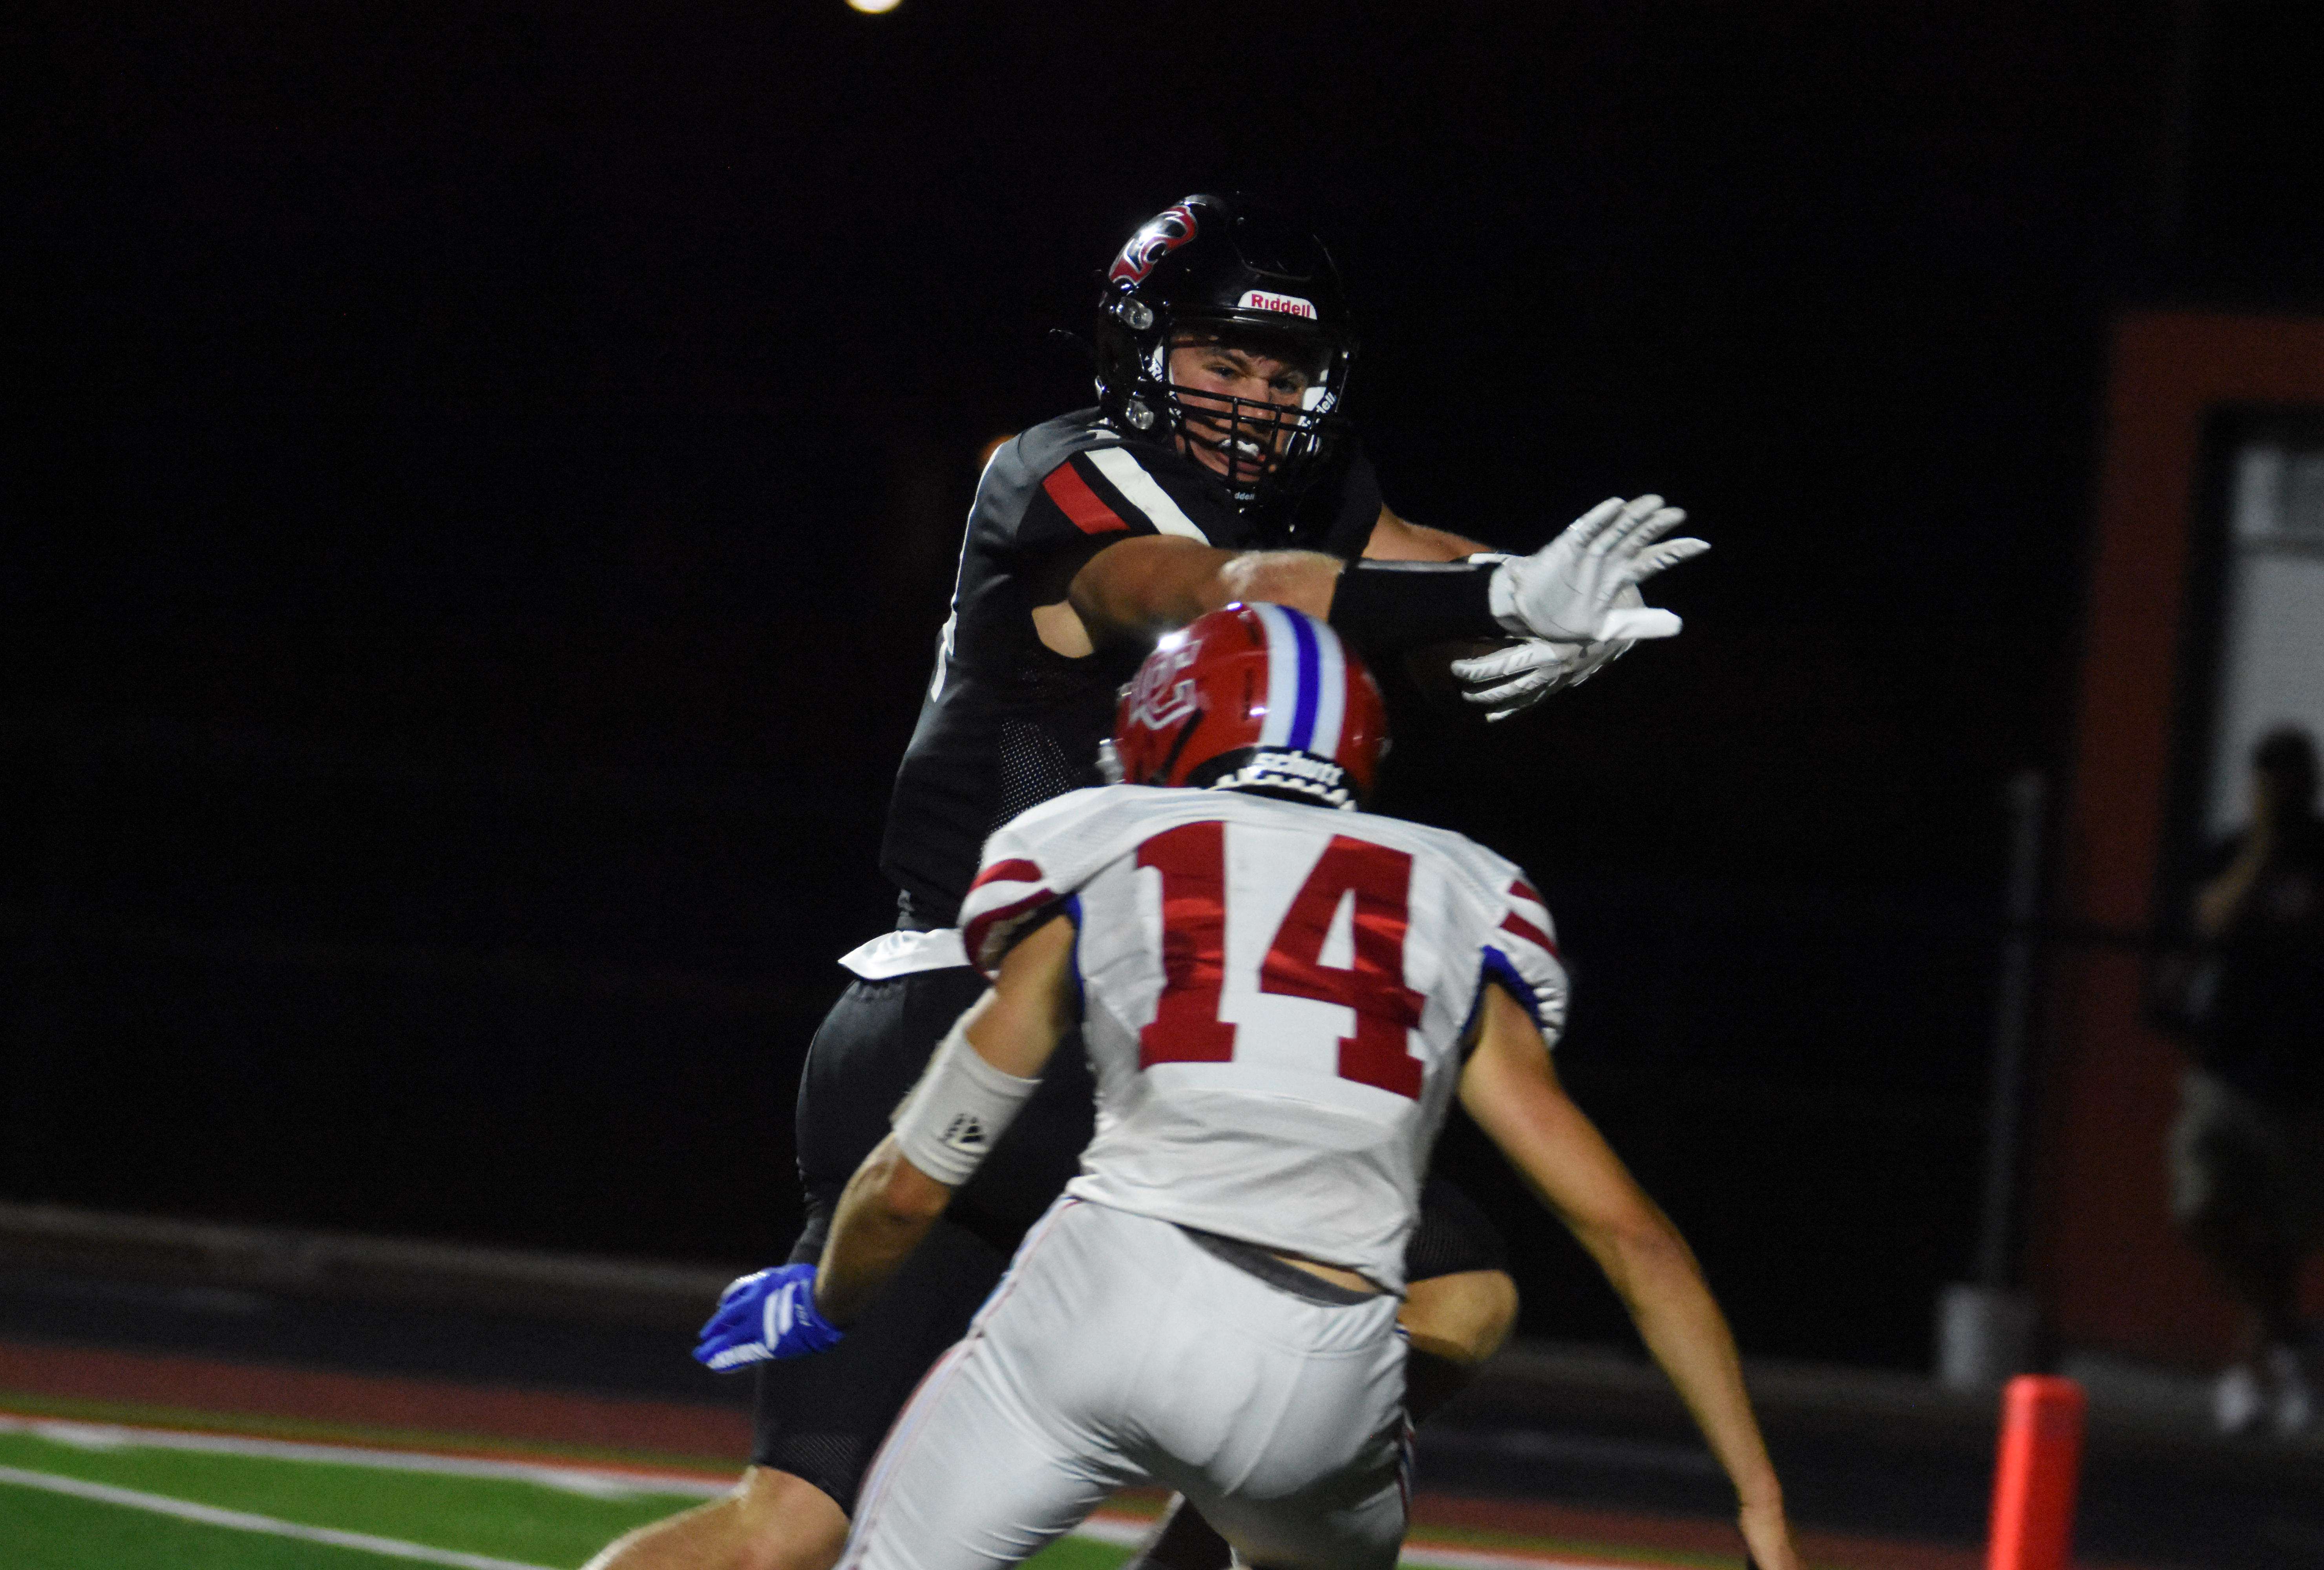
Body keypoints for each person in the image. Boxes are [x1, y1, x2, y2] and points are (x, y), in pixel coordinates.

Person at [583, 194, 1706, 1570]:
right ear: (1137, 348)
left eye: (1283, 374)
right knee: (1454, 1288)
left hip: (955, 1036)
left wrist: (1547, 592)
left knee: (790, 1530)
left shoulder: (1314, 497)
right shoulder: (1067, 471)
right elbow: (1227, 587)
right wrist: (1499, 604)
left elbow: (1408, 559)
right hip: (1012, 1015)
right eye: (1223, 360)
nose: (1253, 400)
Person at [702, 606, 1800, 1570]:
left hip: (1101, 1303)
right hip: (1322, 1371)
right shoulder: (1464, 893)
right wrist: (1760, 1500)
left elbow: (911, 1183)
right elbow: (1633, 1239)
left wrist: (824, 1300)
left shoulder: (1099, 842)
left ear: (1167, 724)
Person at [2173, 726, 2324, 1436]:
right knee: (2199, 1206)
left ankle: (2254, 1373)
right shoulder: (2232, 852)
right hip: (2227, 1069)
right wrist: (2262, 847)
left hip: (2304, 1079)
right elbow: (2210, 922)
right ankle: (2286, 1344)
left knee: (2281, 1240)